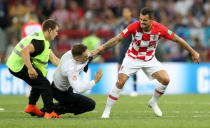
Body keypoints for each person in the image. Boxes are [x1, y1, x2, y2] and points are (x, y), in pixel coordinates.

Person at [92, 7, 200, 118]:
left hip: (149, 59)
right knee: (120, 82)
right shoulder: (134, 26)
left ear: (152, 20)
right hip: (132, 57)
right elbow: (117, 39)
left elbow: (178, 39)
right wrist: (101, 48)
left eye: (145, 20)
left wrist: (193, 52)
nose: (141, 22)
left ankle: (153, 102)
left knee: (165, 79)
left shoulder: (160, 29)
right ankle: (107, 110)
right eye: (140, 19)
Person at [6, 19, 62, 119]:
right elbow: (24, 51)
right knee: (44, 84)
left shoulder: (41, 38)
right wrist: (30, 68)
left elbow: (54, 59)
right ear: (49, 30)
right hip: (18, 65)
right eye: (56, 31)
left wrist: (70, 67)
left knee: (39, 80)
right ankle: (50, 112)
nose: (57, 33)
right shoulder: (39, 42)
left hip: (15, 63)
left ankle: (31, 106)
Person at [49, 43, 103, 115]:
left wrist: (100, 50)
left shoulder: (70, 53)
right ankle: (54, 110)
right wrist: (95, 81)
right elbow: (79, 89)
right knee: (90, 104)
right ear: (77, 58)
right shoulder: (71, 69)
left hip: (62, 88)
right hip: (60, 93)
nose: (88, 57)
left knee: (74, 102)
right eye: (85, 56)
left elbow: (90, 55)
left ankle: (50, 108)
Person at [117, 8, 138, 97]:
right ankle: (120, 88)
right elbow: (120, 36)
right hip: (123, 48)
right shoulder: (122, 23)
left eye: (127, 12)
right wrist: (118, 47)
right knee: (120, 68)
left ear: (130, 13)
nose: (125, 14)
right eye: (124, 12)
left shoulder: (135, 22)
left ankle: (134, 89)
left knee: (133, 68)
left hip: (133, 48)